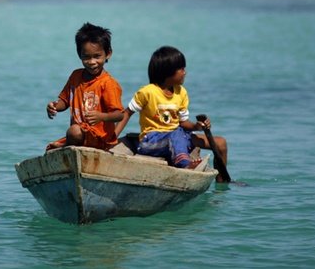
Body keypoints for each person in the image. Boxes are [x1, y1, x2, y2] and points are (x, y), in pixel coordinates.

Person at [115, 46, 229, 180]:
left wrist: (197, 126)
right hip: (151, 141)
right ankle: (185, 164)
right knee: (175, 134)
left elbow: (183, 123)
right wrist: (112, 138)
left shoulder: (181, 92)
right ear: (167, 72)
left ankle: (222, 181)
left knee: (220, 143)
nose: (185, 73)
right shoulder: (147, 92)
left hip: (179, 136)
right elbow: (127, 113)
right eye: (181, 69)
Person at [45, 23, 124, 151]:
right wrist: (54, 106)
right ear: (79, 55)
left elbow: (119, 114)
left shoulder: (108, 83)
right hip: (80, 136)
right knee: (72, 134)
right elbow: (65, 101)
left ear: (108, 54)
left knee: (73, 132)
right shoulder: (75, 76)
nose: (92, 62)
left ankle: (67, 147)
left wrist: (101, 117)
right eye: (86, 57)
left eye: (97, 56)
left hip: (100, 138)